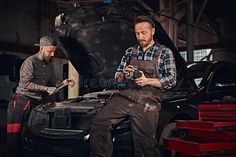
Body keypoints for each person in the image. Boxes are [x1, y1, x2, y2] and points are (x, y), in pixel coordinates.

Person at [90, 15, 176, 157]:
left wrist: (147, 81)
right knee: (99, 123)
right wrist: (123, 74)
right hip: (127, 95)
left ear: (152, 31)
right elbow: (118, 77)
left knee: (144, 141)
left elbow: (171, 80)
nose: (140, 37)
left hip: (150, 98)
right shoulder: (130, 51)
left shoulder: (164, 52)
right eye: (137, 33)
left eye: (144, 33)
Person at [7, 36, 75, 157]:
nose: (53, 54)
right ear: (42, 48)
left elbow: (52, 82)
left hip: (36, 103)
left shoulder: (49, 64)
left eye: (54, 51)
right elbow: (25, 84)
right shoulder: (30, 62)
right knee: (14, 137)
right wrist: (47, 89)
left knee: (28, 135)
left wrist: (64, 82)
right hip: (22, 102)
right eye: (50, 51)